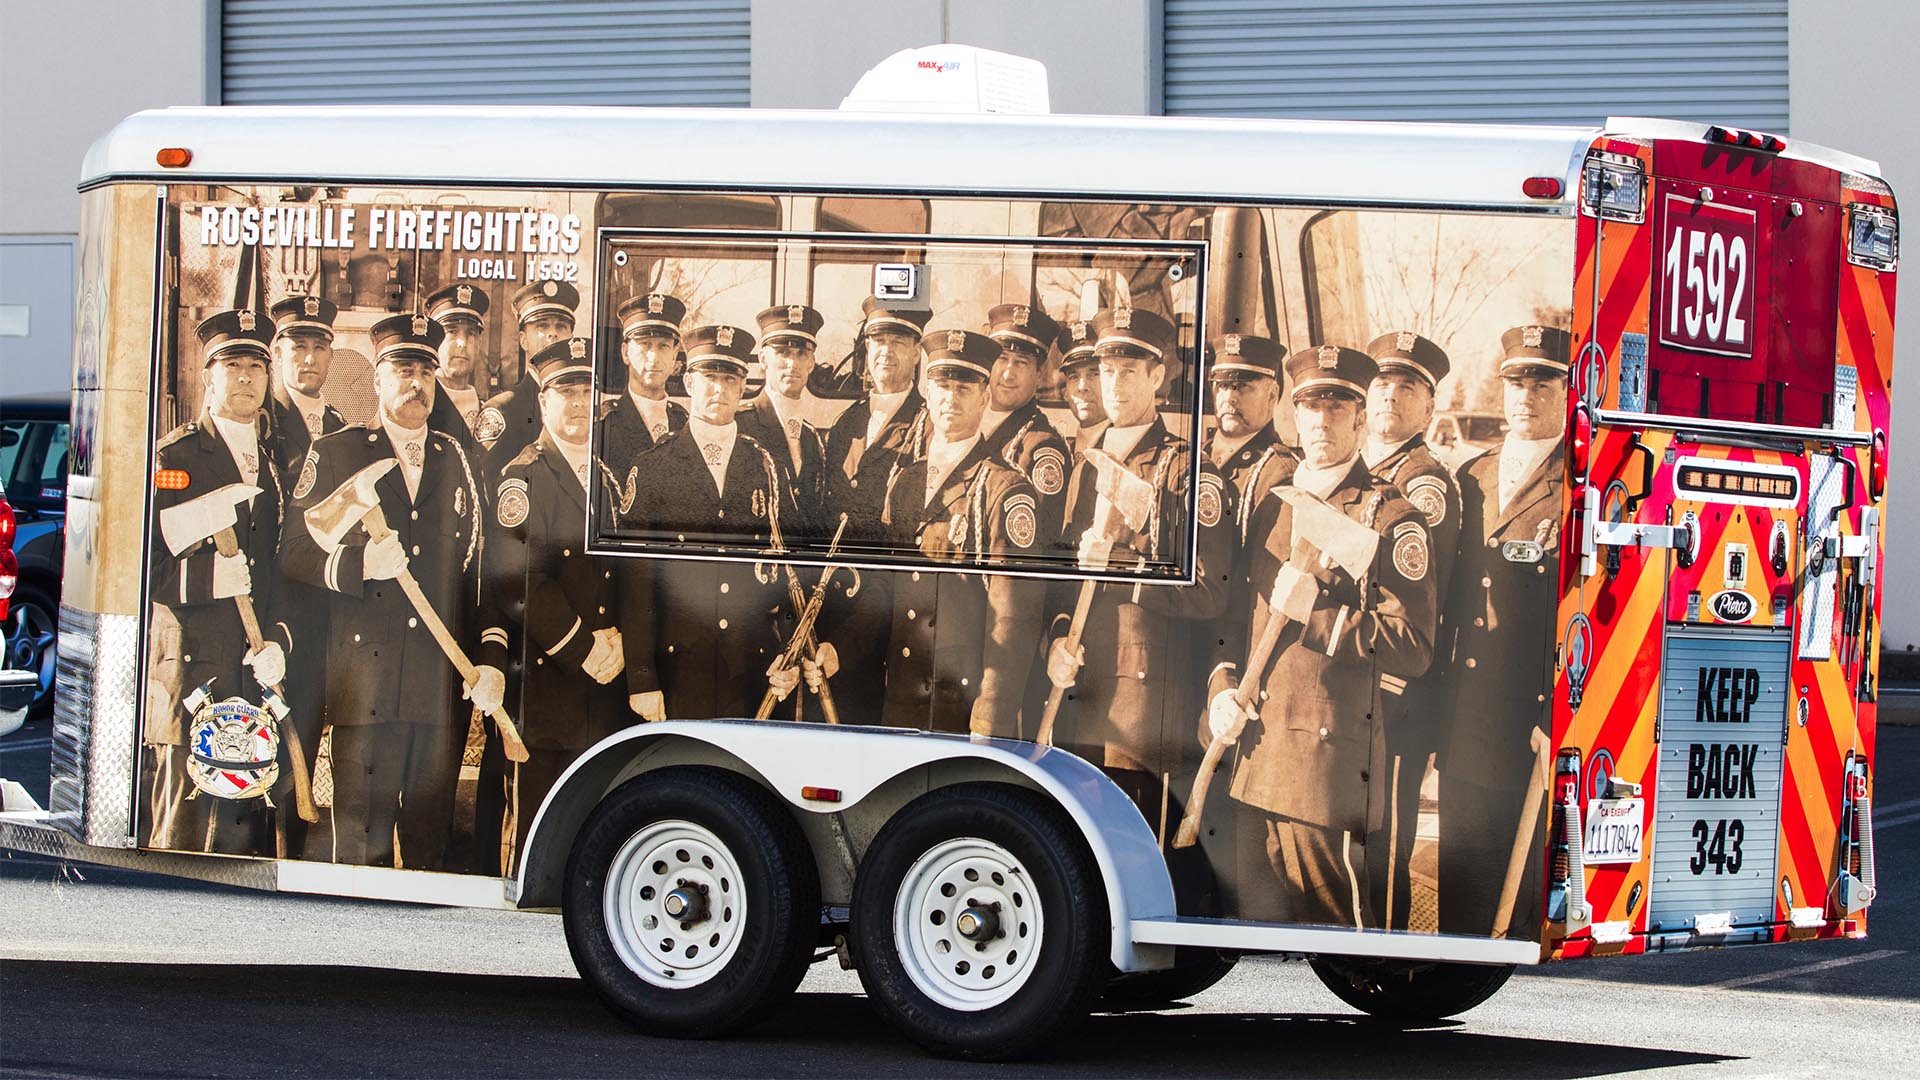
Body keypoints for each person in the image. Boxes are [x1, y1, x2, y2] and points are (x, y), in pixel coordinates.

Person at [1203, 344, 1435, 928]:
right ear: (1295, 416)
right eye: (1311, 408)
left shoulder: (1389, 517)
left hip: (1324, 769)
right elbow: (1234, 624)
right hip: (1254, 752)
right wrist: (1222, 690)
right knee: (1258, 935)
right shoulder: (1272, 506)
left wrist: (1319, 617)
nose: (1322, 422)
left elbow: (1412, 646)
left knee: (1338, 934)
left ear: (1360, 419)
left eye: (1338, 408)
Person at [281, 312, 499, 870]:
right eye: (402, 369)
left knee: (430, 843)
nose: (416, 383)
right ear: (376, 379)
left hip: (437, 683)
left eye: (426, 371)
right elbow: (295, 554)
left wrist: (488, 659)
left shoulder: (459, 459)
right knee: (360, 843)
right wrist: (358, 563)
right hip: (364, 685)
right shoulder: (338, 453)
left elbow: (478, 572)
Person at [1043, 305, 1236, 837]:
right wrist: (1055, 643)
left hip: (1144, 716)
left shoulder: (1189, 471)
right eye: (1107, 370)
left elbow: (1208, 592)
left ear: (1158, 376)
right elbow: (1061, 577)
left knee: (1133, 849)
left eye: (1131, 370)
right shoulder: (1084, 463)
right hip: (1080, 696)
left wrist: (1125, 569)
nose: (1116, 383)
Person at [807, 330, 1045, 735]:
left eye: (964, 388)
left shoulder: (1003, 488)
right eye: (942, 386)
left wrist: (990, 716)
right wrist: (836, 651)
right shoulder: (905, 482)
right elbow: (884, 589)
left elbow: (1013, 620)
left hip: (960, 707)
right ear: (928, 396)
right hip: (900, 695)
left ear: (984, 398)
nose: (951, 398)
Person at [1438, 324, 1569, 942]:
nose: (1527, 393)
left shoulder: (1579, 486)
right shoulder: (1472, 477)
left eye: (1544, 380)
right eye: (1517, 380)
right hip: (1466, 708)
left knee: (1517, 889)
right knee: (1460, 869)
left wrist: (1560, 707)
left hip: (1531, 714)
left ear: (1568, 391)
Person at [146, 309, 292, 855]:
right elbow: (149, 570)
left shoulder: (278, 456)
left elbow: (281, 566)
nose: (247, 376)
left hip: (253, 672)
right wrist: (210, 576)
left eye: (256, 364)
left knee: (243, 834)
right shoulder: (175, 456)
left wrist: (278, 638)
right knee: (182, 827)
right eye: (232, 365)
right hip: (194, 674)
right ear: (208, 375)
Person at [487, 336, 630, 870]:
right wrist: (584, 648)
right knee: (534, 837)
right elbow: (517, 582)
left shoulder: (610, 479)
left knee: (593, 838)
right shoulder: (522, 478)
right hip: (548, 688)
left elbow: (624, 577)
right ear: (542, 401)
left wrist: (617, 642)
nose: (575, 403)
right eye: (562, 391)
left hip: (603, 690)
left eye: (585, 391)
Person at [618, 324, 797, 720]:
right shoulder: (652, 468)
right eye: (709, 377)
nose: (719, 389)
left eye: (730, 379)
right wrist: (643, 678)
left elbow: (787, 571)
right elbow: (637, 585)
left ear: (743, 387)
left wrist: (789, 654)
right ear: (688, 382)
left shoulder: (766, 466)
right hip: (679, 668)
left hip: (753, 667)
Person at [1359, 329, 1461, 930]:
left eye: (1407, 387)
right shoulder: (1365, 466)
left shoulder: (1423, 482)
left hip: (1398, 688)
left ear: (1429, 407)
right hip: (1360, 676)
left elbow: (1427, 594)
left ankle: (1390, 953)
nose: (1390, 396)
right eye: (1381, 383)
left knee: (1389, 831)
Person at [822, 297, 931, 548]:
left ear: (916, 353)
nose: (886, 351)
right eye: (879, 341)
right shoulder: (846, 422)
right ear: (868, 348)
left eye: (898, 342)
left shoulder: (929, 425)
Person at [737, 303, 836, 536]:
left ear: (811, 363)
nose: (792, 364)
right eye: (782, 353)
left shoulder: (812, 439)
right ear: (763, 359)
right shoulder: (739, 426)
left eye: (801, 354)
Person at [981, 303, 1071, 543]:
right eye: (1002, 359)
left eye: (1021, 362)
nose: (1008, 373)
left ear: (1039, 374)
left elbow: (1040, 540)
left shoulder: (1042, 448)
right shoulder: (965, 421)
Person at [597, 291, 688, 525]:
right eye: (645, 345)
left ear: (675, 354)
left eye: (663, 346)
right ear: (625, 353)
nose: (653, 357)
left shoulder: (686, 423)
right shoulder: (602, 428)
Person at [1202, 333, 1297, 545]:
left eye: (1243, 386)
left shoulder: (1281, 473)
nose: (1229, 398)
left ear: (1272, 395)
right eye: (1222, 386)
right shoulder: (1195, 456)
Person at [479, 280, 577, 474]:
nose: (552, 334)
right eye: (542, 326)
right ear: (523, 340)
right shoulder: (503, 410)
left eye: (560, 326)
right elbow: (490, 490)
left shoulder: (584, 404)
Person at [265, 294, 344, 484]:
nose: (310, 359)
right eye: (300, 347)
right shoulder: (264, 421)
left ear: (330, 356)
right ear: (278, 354)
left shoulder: (340, 427)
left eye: (319, 348)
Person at [424, 283, 490, 455]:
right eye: (451, 331)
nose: (462, 342)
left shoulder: (490, 408)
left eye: (471, 333)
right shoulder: (421, 405)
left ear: (479, 342)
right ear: (435, 339)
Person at [1057, 315, 1108, 455]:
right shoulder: (1065, 450)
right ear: (1065, 393)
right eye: (1074, 377)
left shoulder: (1120, 450)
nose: (1082, 386)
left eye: (1093, 374)